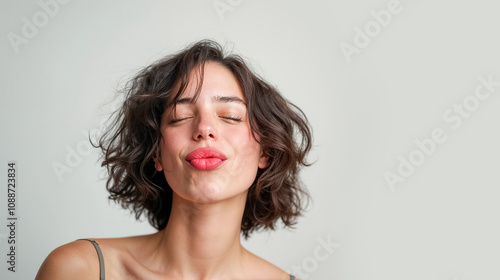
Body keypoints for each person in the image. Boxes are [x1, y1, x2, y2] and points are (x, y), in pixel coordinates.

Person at [35, 40, 312, 280]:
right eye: (180, 117)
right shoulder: (79, 270)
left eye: (230, 116)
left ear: (265, 151)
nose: (204, 128)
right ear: (156, 152)